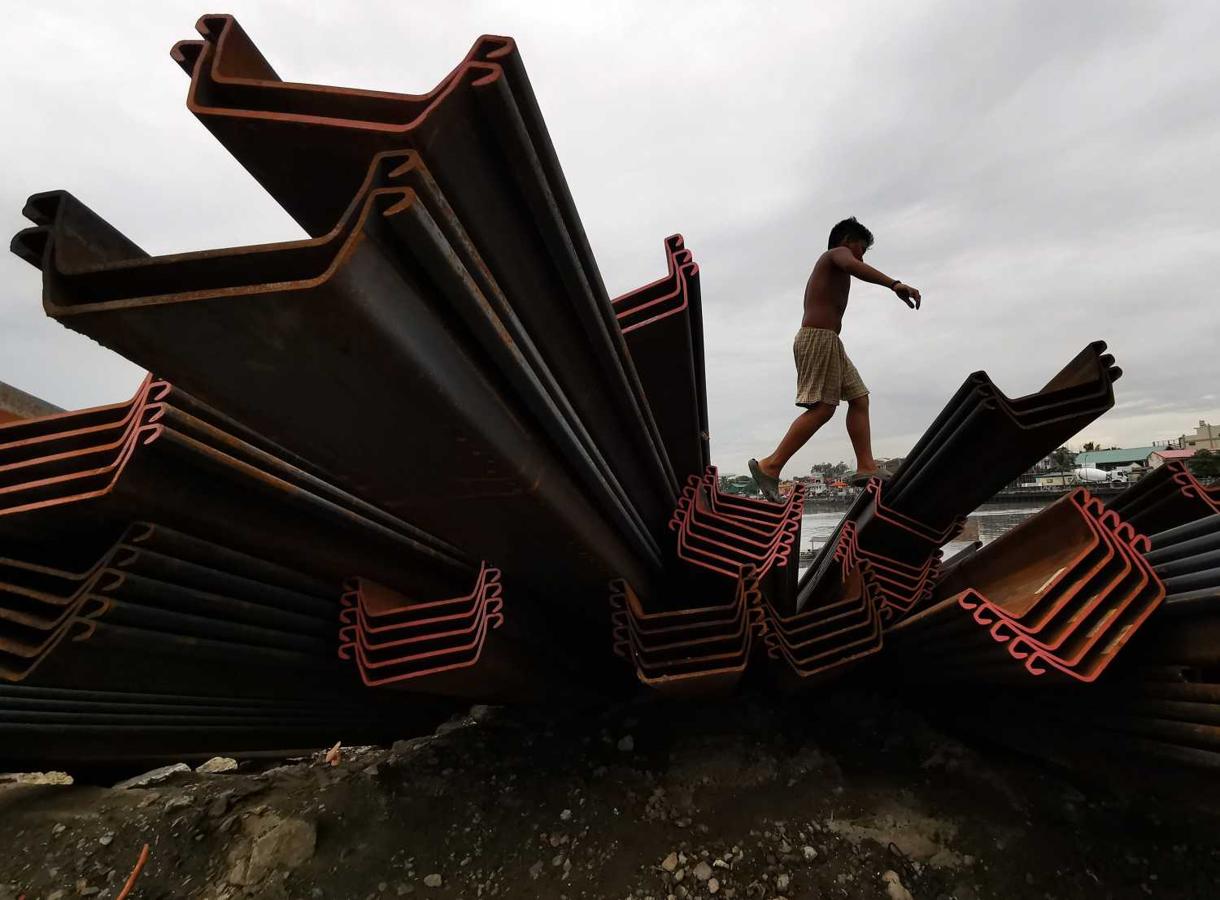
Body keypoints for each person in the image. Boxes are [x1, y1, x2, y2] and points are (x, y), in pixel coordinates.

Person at [748, 217, 921, 502]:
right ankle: (770, 465)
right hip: (818, 337)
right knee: (823, 409)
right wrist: (895, 284)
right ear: (846, 242)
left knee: (859, 397)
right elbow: (853, 265)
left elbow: (855, 266)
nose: (862, 256)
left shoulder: (837, 262)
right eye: (861, 248)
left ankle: (866, 466)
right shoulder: (835, 255)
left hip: (831, 342)